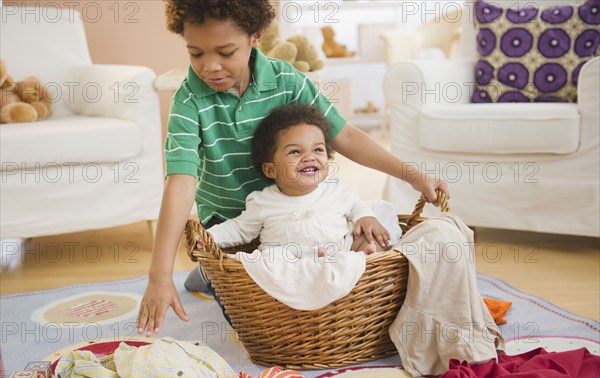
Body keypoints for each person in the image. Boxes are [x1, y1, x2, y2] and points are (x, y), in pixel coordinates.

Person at [136, 0, 448, 337]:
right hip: (229, 224)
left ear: (255, 36)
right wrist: (159, 275)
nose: (210, 66)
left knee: (322, 273)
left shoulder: (287, 81)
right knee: (259, 319)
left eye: (225, 52)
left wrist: (413, 175)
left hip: (292, 219)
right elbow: (180, 181)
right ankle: (209, 273)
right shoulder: (189, 100)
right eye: (196, 53)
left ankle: (208, 275)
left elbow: (343, 134)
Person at [196, 103, 402, 258]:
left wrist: (364, 217)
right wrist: (207, 237)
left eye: (318, 149)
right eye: (295, 151)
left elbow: (356, 204)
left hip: (339, 258)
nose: (310, 157)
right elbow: (238, 229)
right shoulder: (263, 202)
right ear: (270, 169)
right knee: (261, 263)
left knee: (373, 238)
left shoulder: (334, 190)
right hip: (289, 270)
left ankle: (364, 274)